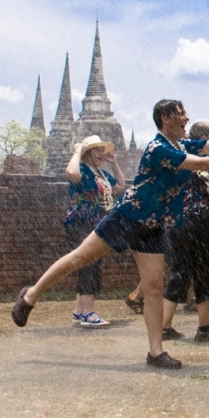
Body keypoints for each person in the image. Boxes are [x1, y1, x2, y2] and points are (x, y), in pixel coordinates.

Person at [11, 100, 209, 370]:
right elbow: (195, 163)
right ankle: (30, 296)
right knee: (80, 258)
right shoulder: (159, 147)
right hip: (128, 217)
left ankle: (156, 352)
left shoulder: (179, 144)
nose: (186, 118)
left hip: (153, 225)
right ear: (165, 119)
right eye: (181, 115)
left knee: (154, 287)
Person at [161, 121, 209, 343]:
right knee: (204, 272)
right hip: (197, 221)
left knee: (179, 272)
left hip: (176, 221)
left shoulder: (177, 153)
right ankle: (203, 329)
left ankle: (164, 327)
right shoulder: (203, 157)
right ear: (208, 138)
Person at [64, 135, 125, 327]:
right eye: (97, 150)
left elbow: (120, 187)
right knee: (89, 263)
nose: (102, 154)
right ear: (88, 152)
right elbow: (71, 173)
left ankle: (79, 311)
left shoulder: (100, 173)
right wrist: (77, 151)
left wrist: (114, 163)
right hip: (83, 220)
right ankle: (88, 312)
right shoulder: (81, 168)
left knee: (89, 263)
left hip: (98, 220)